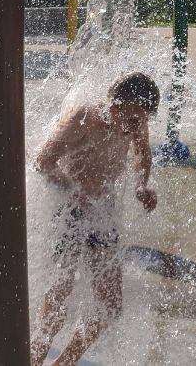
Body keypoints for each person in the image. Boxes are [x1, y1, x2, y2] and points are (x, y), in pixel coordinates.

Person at [30, 72, 160, 366]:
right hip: (71, 213)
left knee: (110, 306)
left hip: (102, 213)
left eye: (143, 120)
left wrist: (142, 185)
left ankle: (64, 363)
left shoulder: (135, 120)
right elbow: (43, 161)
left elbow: (143, 152)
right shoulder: (84, 118)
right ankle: (33, 360)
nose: (136, 127)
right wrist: (72, 190)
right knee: (57, 301)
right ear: (114, 105)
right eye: (132, 118)